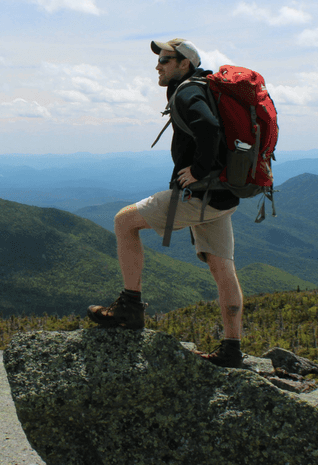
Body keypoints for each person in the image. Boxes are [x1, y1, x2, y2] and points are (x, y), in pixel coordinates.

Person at [87, 38, 245, 368]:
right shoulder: (201, 87)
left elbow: (209, 127)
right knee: (222, 268)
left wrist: (198, 170)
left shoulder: (187, 92)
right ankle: (232, 348)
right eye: (159, 60)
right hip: (223, 196)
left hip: (199, 196)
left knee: (123, 221)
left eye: (165, 60)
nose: (158, 66)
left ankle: (130, 307)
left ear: (184, 64)